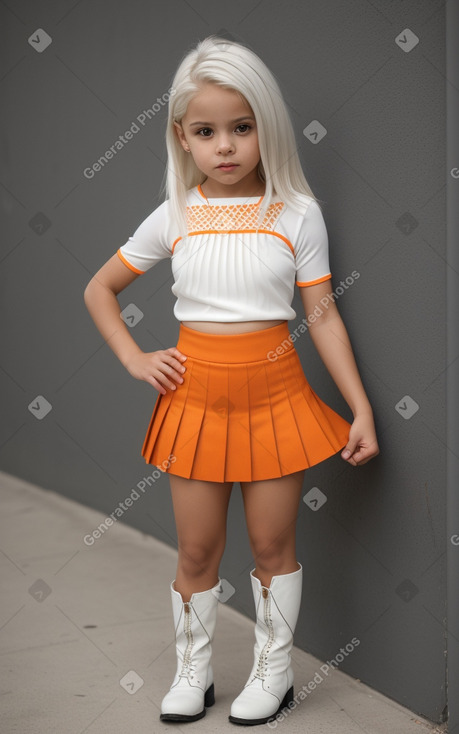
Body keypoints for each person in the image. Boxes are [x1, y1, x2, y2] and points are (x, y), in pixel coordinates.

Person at [83, 35, 380, 727]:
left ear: (264, 129)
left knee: (275, 545)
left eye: (241, 128)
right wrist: (134, 358)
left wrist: (360, 408)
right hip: (194, 401)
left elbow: (323, 316)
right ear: (181, 138)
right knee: (195, 548)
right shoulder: (176, 216)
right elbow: (100, 287)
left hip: (274, 399)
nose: (225, 146)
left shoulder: (296, 214)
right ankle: (194, 671)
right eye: (206, 131)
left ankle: (273, 673)